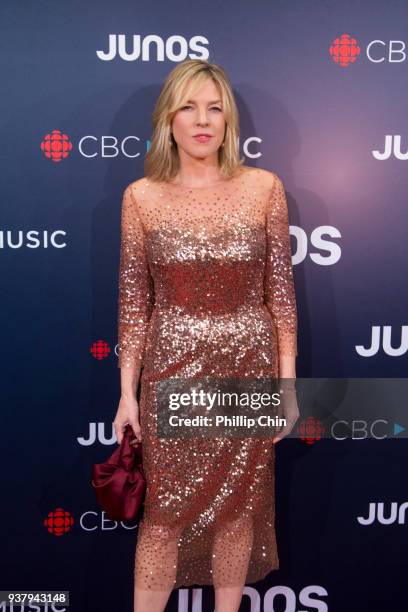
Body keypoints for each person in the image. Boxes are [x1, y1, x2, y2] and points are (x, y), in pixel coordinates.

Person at [113, 58, 299, 612]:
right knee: (164, 515)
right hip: (171, 371)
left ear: (228, 121)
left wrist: (286, 389)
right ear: (168, 119)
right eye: (188, 107)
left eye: (214, 108)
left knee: (236, 510)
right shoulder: (140, 198)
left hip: (248, 366)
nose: (202, 120)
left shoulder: (264, 188)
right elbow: (133, 306)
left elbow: (281, 301)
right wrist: (127, 394)